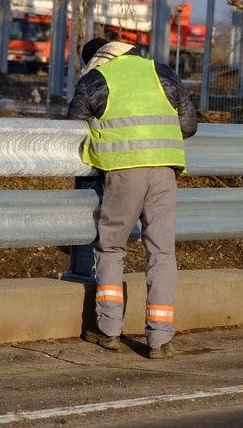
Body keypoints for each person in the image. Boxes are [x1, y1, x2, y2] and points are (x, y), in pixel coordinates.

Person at [67, 38, 197, 358]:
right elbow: (189, 125)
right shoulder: (163, 73)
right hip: (165, 168)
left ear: (99, 58)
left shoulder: (96, 79)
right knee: (162, 252)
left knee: (112, 246)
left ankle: (109, 328)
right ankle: (161, 338)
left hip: (124, 170)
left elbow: (70, 127)